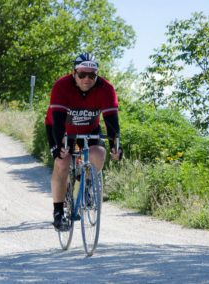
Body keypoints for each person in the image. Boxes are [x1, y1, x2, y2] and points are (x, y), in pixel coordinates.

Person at [45, 52, 123, 231]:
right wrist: (59, 147)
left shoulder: (106, 88)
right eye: (82, 74)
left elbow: (111, 121)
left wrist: (115, 147)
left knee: (98, 154)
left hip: (89, 129)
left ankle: (86, 182)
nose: (87, 79)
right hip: (61, 128)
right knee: (62, 162)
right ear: (74, 73)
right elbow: (57, 121)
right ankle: (58, 212)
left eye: (92, 75)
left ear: (97, 75)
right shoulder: (61, 86)